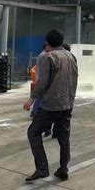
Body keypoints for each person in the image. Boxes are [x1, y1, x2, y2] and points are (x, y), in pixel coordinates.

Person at [23, 29, 78, 182]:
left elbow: (42, 82)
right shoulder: (71, 56)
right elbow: (75, 78)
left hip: (51, 105)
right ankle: (63, 169)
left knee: (33, 132)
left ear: (48, 42)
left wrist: (31, 100)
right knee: (63, 138)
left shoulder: (49, 57)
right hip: (67, 104)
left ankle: (42, 168)